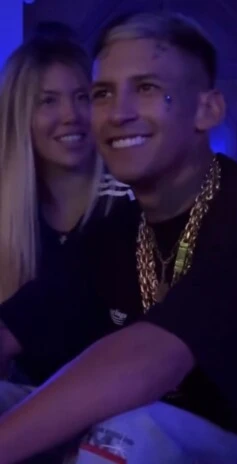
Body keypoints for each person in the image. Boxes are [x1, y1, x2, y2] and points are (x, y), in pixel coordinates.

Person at [0, 11, 237, 464]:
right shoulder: (117, 227)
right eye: (103, 94)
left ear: (207, 109)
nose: (118, 113)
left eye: (145, 88)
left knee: (129, 432)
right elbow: (15, 326)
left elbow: (151, 358)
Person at [0, 24, 132, 385]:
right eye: (48, 101)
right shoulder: (9, 214)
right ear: (19, 116)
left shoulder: (128, 203)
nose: (71, 115)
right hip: (28, 398)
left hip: (121, 402)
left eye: (83, 97)